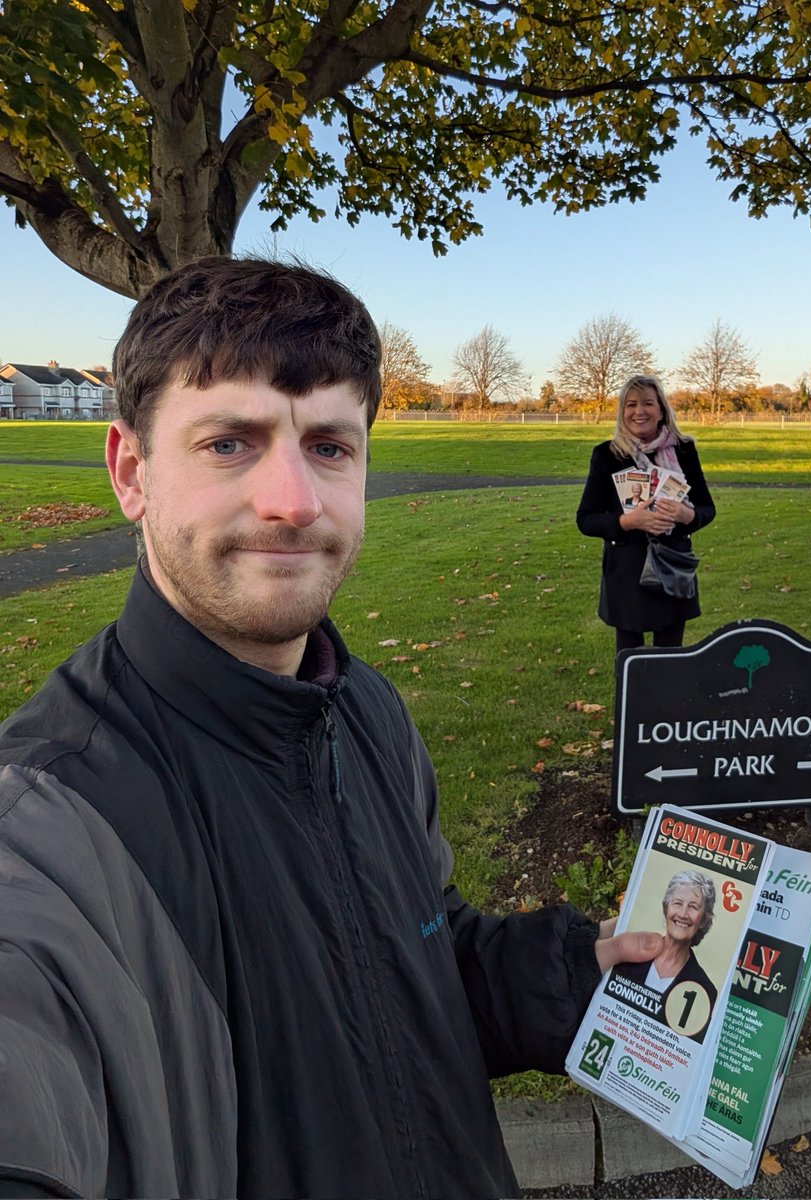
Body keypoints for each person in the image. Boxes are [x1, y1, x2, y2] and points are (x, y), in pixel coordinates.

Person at [0, 257, 663, 1200]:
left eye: (329, 446)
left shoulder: (368, 713)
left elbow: (410, 970)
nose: (293, 501)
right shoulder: (48, 838)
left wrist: (563, 975)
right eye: (229, 443)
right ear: (130, 471)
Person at [576, 374, 716, 654]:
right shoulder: (608, 455)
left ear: (662, 409)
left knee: (670, 657)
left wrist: (685, 515)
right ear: (622, 412)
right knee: (630, 659)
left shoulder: (684, 450)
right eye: (631, 405)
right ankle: (632, 700)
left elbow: (706, 509)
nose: (639, 411)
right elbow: (586, 519)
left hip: (672, 567)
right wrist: (627, 521)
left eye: (648, 403)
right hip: (627, 571)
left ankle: (666, 699)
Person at [614, 869, 718, 1042]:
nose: (683, 914)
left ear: (704, 920)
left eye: (693, 907)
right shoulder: (630, 952)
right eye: (677, 903)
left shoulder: (705, 990)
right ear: (666, 908)